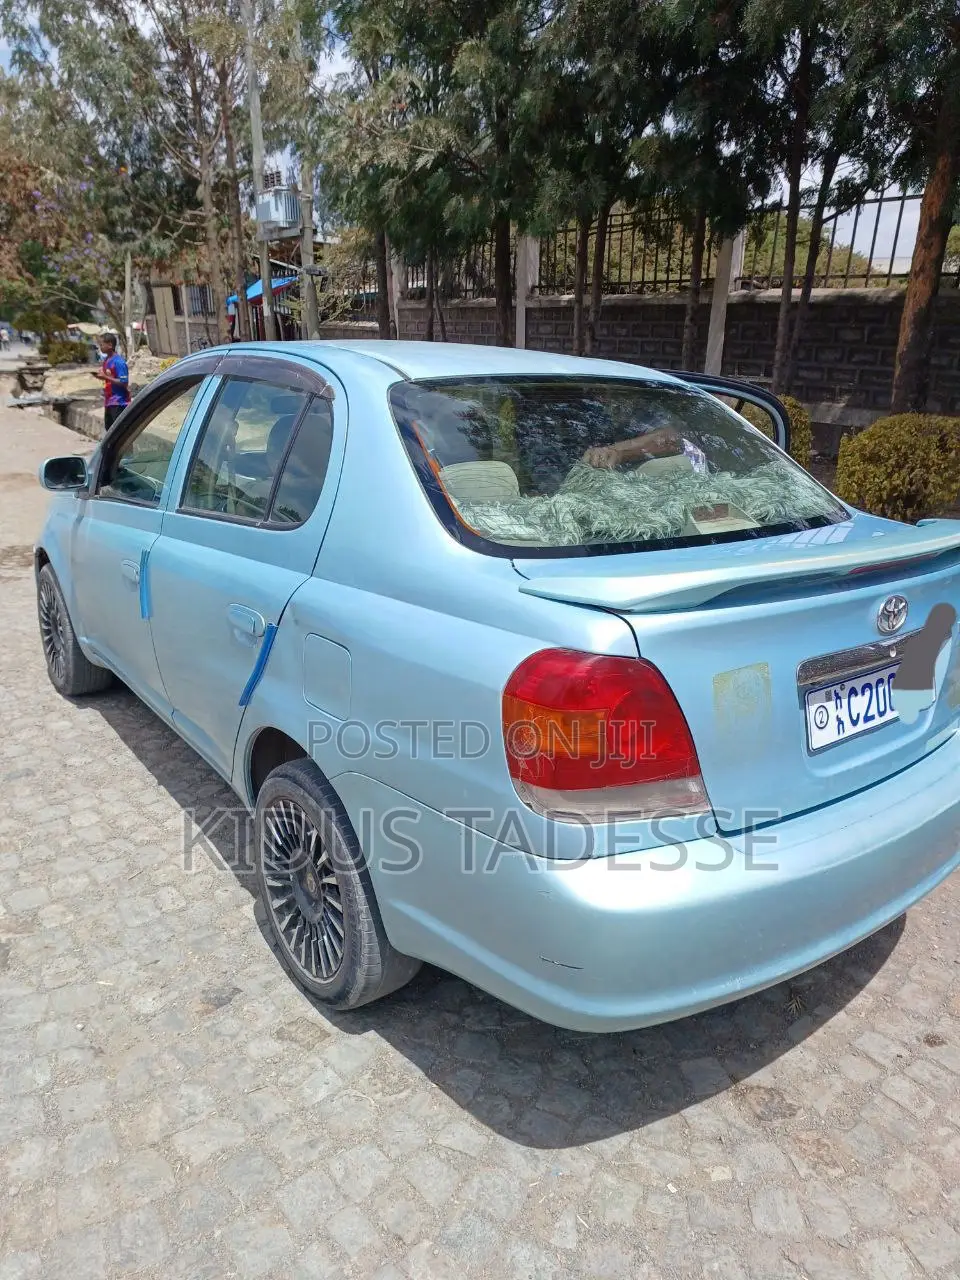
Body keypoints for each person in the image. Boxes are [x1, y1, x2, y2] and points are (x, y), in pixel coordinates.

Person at [92, 332, 130, 432]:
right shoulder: (107, 360)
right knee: (110, 431)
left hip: (119, 402)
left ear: (110, 345)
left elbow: (124, 382)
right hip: (109, 402)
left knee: (120, 432)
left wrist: (106, 377)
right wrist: (101, 377)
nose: (100, 347)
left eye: (101, 344)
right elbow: (109, 378)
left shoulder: (119, 362)